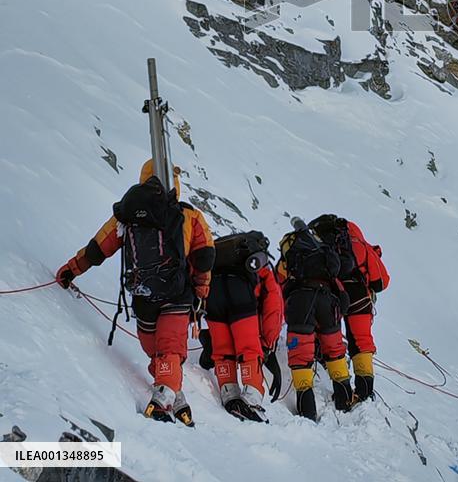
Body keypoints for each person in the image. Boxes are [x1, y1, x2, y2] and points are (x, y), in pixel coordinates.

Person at [56, 161, 215, 425]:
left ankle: (170, 389)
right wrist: (201, 291)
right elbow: (205, 257)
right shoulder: (190, 216)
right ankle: (166, 395)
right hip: (177, 295)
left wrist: (72, 269)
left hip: (143, 295)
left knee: (156, 349)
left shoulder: (129, 213)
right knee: (169, 348)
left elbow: (98, 247)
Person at [198, 231, 283, 421]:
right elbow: (273, 305)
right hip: (241, 294)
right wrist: (268, 343)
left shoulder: (222, 260)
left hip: (213, 293)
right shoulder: (259, 265)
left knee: (223, 351)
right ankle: (252, 400)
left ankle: (229, 394)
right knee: (249, 348)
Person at [308, 215, 390, 401]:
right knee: (361, 340)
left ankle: (341, 390)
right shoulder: (357, 241)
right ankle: (364, 391)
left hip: (331, 293)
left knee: (331, 338)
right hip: (358, 293)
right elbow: (381, 281)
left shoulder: (319, 243)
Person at [277, 220, 352, 420]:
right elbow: (339, 285)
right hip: (328, 300)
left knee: (300, 356)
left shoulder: (292, 250)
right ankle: (345, 400)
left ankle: (307, 411)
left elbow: (280, 278)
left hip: (300, 300)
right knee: (334, 350)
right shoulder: (323, 250)